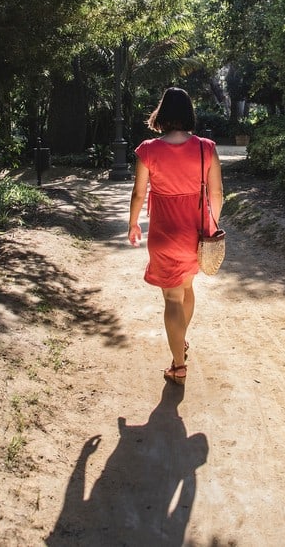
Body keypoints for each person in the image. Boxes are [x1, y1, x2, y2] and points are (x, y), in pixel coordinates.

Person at [128, 88, 223, 385]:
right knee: (187, 288)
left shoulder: (148, 150)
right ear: (189, 114)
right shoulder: (205, 148)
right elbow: (217, 193)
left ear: (162, 114)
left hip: (163, 231)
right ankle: (179, 343)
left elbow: (139, 192)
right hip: (194, 231)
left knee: (171, 296)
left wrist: (133, 224)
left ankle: (179, 366)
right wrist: (212, 224)